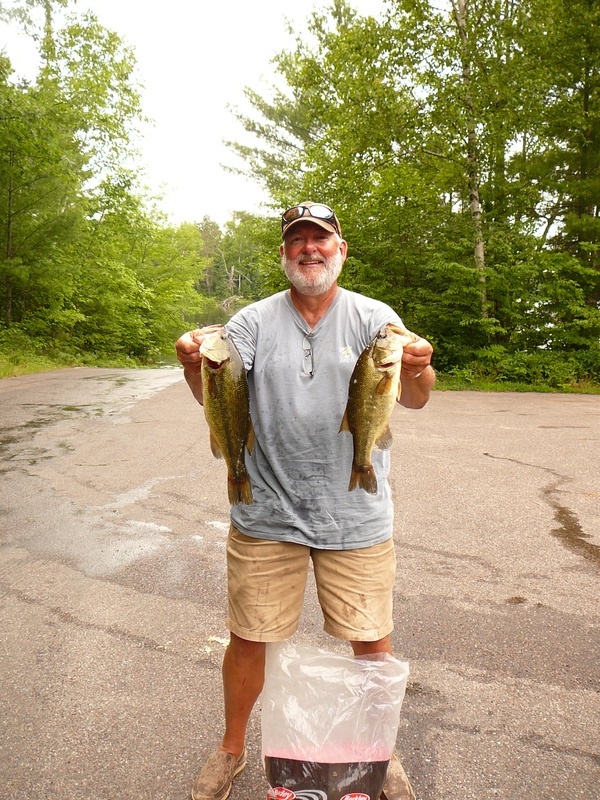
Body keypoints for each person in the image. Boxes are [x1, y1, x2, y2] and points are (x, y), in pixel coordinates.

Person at [175, 201, 435, 800]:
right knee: (249, 637)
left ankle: (380, 750)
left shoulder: (376, 319)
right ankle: (231, 747)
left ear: (341, 250)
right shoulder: (250, 322)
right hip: (265, 510)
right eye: (297, 240)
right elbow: (215, 391)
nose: (309, 249)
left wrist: (419, 367)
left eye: (321, 239)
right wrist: (193, 363)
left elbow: (416, 397)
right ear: (284, 253)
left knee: (371, 640)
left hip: (356, 514)